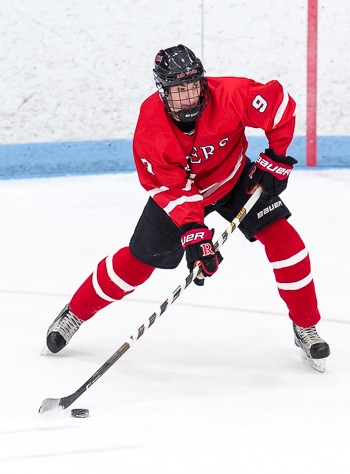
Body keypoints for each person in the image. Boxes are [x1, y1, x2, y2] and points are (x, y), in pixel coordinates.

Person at [45, 44, 330, 372]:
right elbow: (171, 187)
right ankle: (75, 313)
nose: (189, 96)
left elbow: (279, 108)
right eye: (179, 90)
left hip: (235, 178)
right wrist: (194, 232)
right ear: (163, 91)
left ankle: (305, 326)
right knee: (138, 263)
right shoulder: (152, 127)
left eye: (193, 86)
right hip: (182, 195)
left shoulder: (230, 94)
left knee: (288, 245)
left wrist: (276, 157)